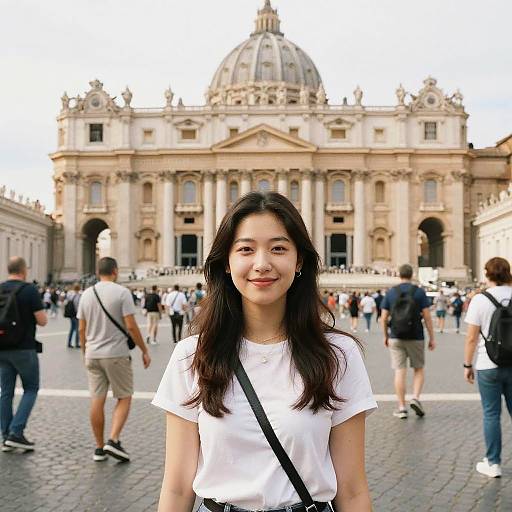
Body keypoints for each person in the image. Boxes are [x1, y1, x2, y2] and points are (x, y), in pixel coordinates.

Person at [152, 192, 376, 512]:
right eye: (245, 249)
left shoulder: (339, 355)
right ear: (226, 263)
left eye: (278, 248)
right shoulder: (191, 356)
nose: (262, 263)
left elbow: (352, 491)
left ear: (299, 261)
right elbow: (176, 489)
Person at [77, 257, 151, 462]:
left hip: (92, 354)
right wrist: (144, 350)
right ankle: (114, 439)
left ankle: (99, 448)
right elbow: (131, 325)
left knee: (96, 400)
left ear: (97, 271)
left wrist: (85, 352)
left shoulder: (86, 294)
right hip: (116, 354)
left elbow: (81, 329)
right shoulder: (122, 293)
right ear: (115, 271)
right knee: (124, 396)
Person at [463, 257, 512, 478]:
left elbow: (471, 338)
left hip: (487, 364)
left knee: (491, 414)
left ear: (487, 274)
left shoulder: (480, 300)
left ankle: (493, 463)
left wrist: (467, 364)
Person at [0, 257, 47, 451]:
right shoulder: (29, 290)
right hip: (24, 348)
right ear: (23, 271)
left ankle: (5, 435)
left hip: (2, 348)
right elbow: (42, 320)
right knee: (31, 388)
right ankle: (16, 432)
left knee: (6, 392)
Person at [381, 264, 435, 419]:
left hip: (396, 336)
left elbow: (383, 318)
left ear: (399, 275)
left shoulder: (391, 292)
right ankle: (416, 398)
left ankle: (402, 407)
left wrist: (386, 335)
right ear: (412, 275)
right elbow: (427, 317)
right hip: (416, 336)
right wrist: (432, 337)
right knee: (418, 369)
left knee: (399, 371)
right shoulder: (419, 292)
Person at [64, 283, 81, 348]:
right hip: (75, 314)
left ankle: (69, 342)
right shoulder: (78, 296)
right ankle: (77, 343)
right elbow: (77, 306)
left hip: (70, 314)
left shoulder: (70, 294)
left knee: (72, 328)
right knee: (77, 328)